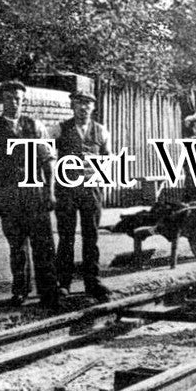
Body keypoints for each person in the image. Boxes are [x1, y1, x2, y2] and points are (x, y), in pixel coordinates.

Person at [0, 81, 59, 309]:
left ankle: (48, 291)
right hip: (9, 194)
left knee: (43, 244)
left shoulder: (35, 126)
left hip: (35, 194)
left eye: (18, 98)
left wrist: (50, 192)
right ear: (1, 101)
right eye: (9, 98)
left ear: (23, 101)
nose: (14, 102)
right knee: (17, 246)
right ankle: (20, 289)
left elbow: (48, 161)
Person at [49, 91, 112, 302]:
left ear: (93, 108)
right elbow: (46, 155)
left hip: (91, 190)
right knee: (66, 236)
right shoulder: (59, 130)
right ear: (72, 107)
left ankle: (92, 282)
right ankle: (63, 283)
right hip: (66, 189)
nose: (83, 108)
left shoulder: (101, 131)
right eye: (79, 104)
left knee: (91, 236)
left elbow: (107, 158)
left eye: (87, 105)